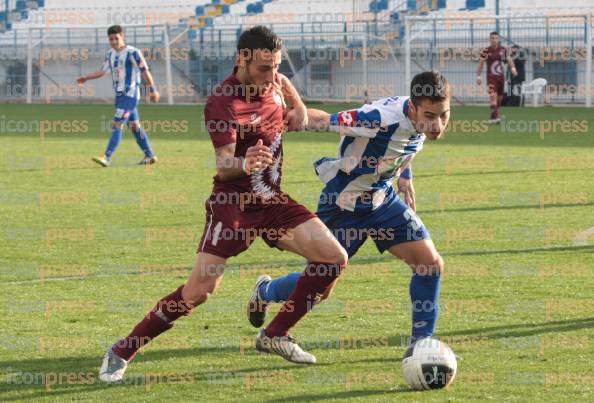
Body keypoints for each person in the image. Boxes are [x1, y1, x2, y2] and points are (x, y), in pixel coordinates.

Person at [98, 25, 348, 383]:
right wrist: (246, 163)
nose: (272, 75)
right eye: (264, 68)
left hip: (272, 201)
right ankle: (122, 349)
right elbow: (224, 164)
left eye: (276, 66)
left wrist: (300, 105)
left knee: (332, 259)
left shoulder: (273, 81)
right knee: (199, 292)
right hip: (233, 205)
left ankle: (274, 335)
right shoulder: (223, 102)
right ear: (241, 59)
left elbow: (284, 86)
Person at [248, 71, 451, 357]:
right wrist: (290, 116)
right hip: (344, 205)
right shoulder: (380, 119)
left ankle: (421, 347)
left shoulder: (418, 114)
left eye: (444, 115)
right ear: (413, 107)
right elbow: (323, 120)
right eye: (430, 116)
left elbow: (405, 142)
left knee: (430, 265)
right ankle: (267, 292)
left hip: (382, 200)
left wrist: (404, 174)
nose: (437, 126)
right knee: (322, 285)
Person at [77, 25, 160, 167]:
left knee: (117, 124)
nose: (114, 41)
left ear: (122, 36)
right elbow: (102, 71)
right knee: (134, 126)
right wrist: (86, 77)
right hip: (120, 96)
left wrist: (152, 89)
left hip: (130, 94)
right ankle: (150, 155)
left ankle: (106, 157)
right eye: (111, 39)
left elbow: (144, 71)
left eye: (116, 38)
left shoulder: (133, 52)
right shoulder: (110, 54)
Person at [476, 31, 517, 123]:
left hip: (501, 78)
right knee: (493, 97)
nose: (494, 40)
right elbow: (481, 64)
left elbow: (509, 60)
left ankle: (493, 117)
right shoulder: (486, 51)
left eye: (496, 38)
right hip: (491, 78)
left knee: (499, 99)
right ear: (490, 39)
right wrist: (478, 76)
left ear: (499, 39)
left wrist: (513, 68)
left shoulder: (503, 50)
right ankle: (494, 118)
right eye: (492, 38)